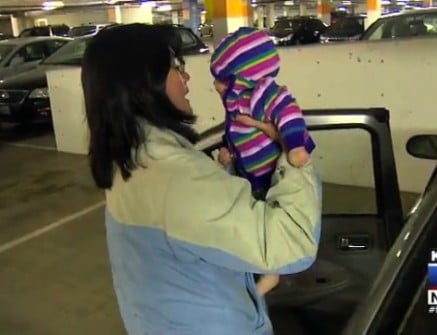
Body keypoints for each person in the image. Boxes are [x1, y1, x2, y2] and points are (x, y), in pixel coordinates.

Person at [81, 23, 322, 335]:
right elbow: (293, 244)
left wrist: (221, 175)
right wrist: (292, 155)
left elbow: (189, 227)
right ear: (145, 83)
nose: (187, 78)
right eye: (176, 67)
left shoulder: (127, 157)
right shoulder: (176, 176)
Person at [209, 27, 316, 296]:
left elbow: (291, 115)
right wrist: (226, 153)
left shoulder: (266, 93)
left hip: (272, 176)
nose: (215, 86)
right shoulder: (237, 102)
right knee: (256, 221)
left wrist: (294, 147)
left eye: (222, 79)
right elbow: (235, 133)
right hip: (253, 176)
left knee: (270, 221)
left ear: (241, 75)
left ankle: (272, 274)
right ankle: (259, 267)